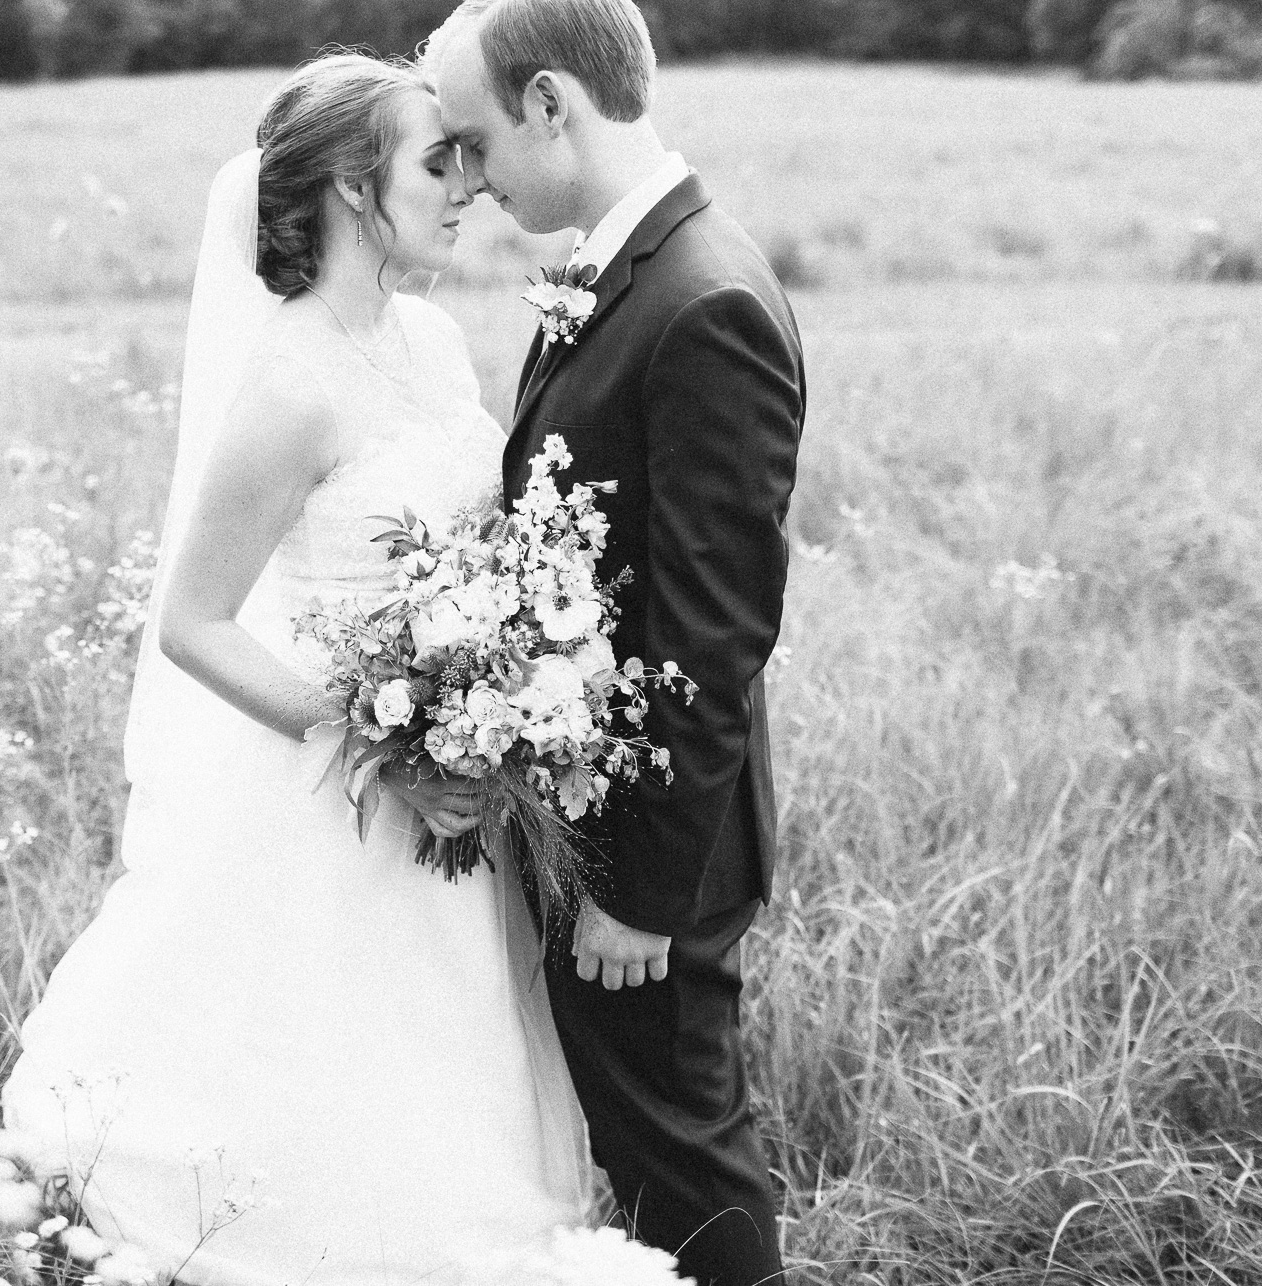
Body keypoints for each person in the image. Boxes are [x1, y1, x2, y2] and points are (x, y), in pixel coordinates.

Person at [0, 54, 601, 1283]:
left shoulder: (429, 339)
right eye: (439, 160)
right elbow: (197, 621)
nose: (469, 183)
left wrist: (512, 664)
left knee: (458, 1046)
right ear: (351, 185)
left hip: (462, 773)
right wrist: (375, 737)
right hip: (354, 779)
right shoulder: (287, 382)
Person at [427, 3, 806, 1283]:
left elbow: (716, 633)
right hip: (597, 823)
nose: (468, 180)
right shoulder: (621, 265)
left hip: (654, 856)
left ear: (549, 104)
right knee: (645, 1156)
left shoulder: (702, 303)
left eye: (474, 140)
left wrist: (638, 892)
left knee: (685, 1156)